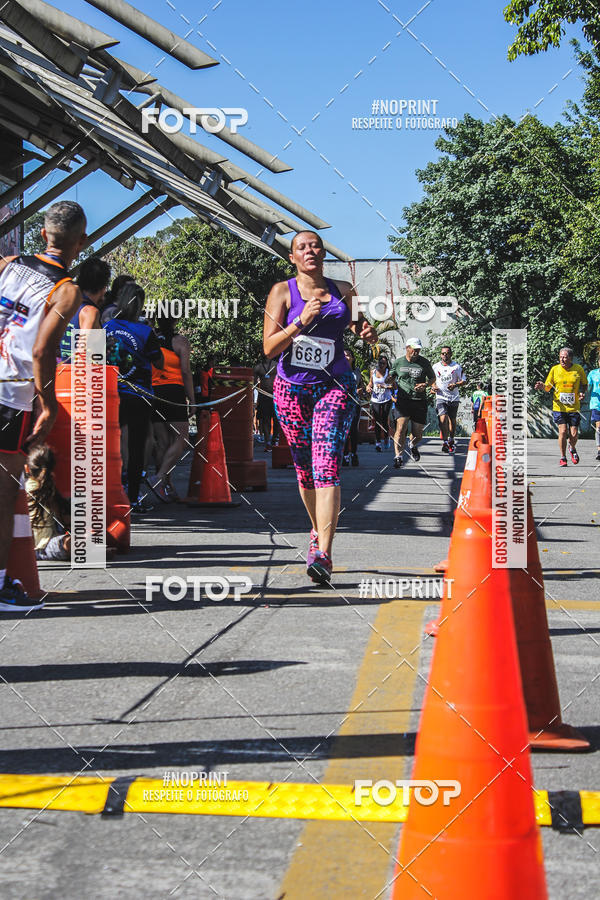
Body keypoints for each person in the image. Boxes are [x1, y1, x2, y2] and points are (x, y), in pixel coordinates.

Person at [263, 230, 377, 584]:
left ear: (323, 254)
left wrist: (366, 333)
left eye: (315, 246)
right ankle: (316, 531)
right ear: (293, 257)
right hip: (292, 390)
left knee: (326, 464)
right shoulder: (282, 292)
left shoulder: (343, 290)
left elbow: (359, 325)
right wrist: (300, 322)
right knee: (305, 470)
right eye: (302, 247)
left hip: (335, 385)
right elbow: (268, 348)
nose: (310, 251)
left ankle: (324, 553)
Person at [0, 200, 86, 610]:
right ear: (81, 241)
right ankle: (1, 585)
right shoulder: (66, 290)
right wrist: (47, 404)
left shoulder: (7, 264)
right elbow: (42, 350)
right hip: (10, 395)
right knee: (3, 495)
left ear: (41, 234)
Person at [103, 282, 164, 512]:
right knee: (138, 447)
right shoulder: (146, 331)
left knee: (110, 445)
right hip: (139, 394)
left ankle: (110, 495)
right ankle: (133, 497)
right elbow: (159, 362)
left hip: (112, 393)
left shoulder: (108, 326)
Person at [149, 315, 195, 502]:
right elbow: (185, 371)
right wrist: (191, 398)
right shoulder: (180, 342)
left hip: (153, 391)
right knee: (181, 438)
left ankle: (167, 487)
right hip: (173, 391)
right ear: (175, 321)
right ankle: (159, 478)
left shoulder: (151, 339)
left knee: (162, 442)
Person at [535, 347, 587, 467]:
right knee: (563, 431)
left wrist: (582, 393)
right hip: (559, 407)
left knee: (574, 434)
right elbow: (548, 387)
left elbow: (584, 384)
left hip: (574, 408)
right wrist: (542, 386)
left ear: (570, 358)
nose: (562, 359)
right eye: (560, 357)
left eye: (565, 357)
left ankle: (572, 447)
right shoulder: (555, 369)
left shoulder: (578, 370)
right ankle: (563, 457)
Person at [390, 337, 436, 468]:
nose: (416, 352)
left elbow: (432, 378)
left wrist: (426, 384)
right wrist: (388, 380)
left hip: (419, 401)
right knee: (401, 428)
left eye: (418, 350)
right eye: (414, 349)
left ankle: (413, 444)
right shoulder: (399, 362)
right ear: (407, 348)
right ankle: (398, 456)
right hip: (403, 400)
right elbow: (392, 376)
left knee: (418, 434)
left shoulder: (424, 363)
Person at [59, 256, 110, 361]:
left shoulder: (66, 306)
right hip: (84, 376)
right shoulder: (90, 312)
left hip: (63, 373)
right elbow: (82, 353)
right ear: (104, 287)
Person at [25, 444, 71, 561]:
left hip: (41, 545)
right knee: (72, 542)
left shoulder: (48, 488)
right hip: (44, 547)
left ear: (27, 468)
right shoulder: (33, 488)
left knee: (80, 540)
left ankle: (90, 549)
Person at [432, 345, 466, 453]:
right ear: (440, 355)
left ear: (451, 354)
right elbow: (432, 379)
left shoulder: (456, 367)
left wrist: (455, 385)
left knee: (452, 420)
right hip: (441, 397)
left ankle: (451, 439)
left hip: (453, 397)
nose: (445, 355)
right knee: (443, 419)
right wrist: (433, 386)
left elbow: (464, 381)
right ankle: (445, 442)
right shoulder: (436, 366)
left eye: (447, 353)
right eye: (443, 353)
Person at [366, 353, 393, 452]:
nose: (381, 365)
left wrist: (385, 386)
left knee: (384, 419)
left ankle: (386, 438)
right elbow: (370, 383)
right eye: (380, 363)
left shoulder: (388, 373)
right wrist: (368, 387)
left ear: (386, 364)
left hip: (386, 399)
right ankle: (378, 443)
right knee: (377, 421)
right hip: (375, 399)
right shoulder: (373, 372)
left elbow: (394, 386)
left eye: (384, 363)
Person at [343, 348, 364, 466]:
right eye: (344, 355)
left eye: (348, 355)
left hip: (355, 403)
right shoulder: (338, 371)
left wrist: (361, 390)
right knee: (344, 430)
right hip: (342, 404)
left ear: (352, 358)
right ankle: (345, 455)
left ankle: (354, 453)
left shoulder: (356, 371)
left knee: (353, 430)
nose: (346, 357)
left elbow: (361, 385)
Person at [254, 354, 279, 451]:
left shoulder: (277, 366)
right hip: (264, 396)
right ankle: (268, 441)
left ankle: (274, 439)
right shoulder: (258, 367)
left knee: (277, 419)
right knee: (265, 419)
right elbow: (254, 382)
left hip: (275, 395)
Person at [588, 352, 600, 461]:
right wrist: (581, 394)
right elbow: (587, 386)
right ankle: (599, 450)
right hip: (597, 404)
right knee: (599, 427)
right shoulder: (593, 373)